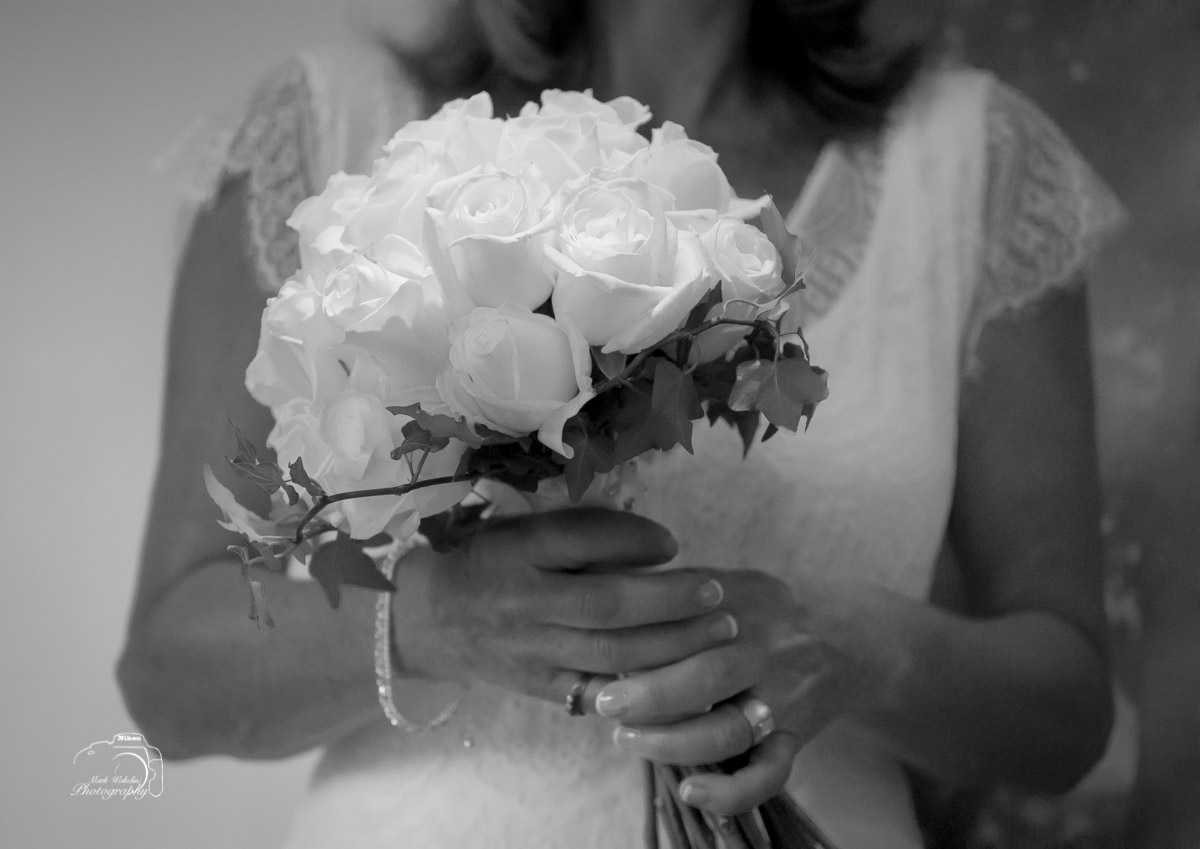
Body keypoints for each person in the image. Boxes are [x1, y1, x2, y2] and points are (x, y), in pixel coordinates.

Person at [117, 1, 1126, 846]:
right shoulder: (330, 130)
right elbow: (172, 673)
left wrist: (855, 643)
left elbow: (1066, 717)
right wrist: (432, 619)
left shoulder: (970, 162)